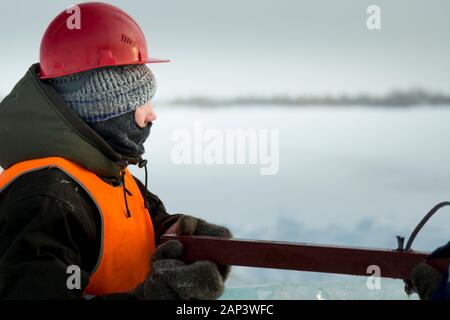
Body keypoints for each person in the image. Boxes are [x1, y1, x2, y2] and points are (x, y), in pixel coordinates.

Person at [0, 2, 232, 299]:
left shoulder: (105, 174)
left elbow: (122, 229)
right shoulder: (45, 199)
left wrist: (178, 232)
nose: (152, 115)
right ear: (104, 108)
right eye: (142, 101)